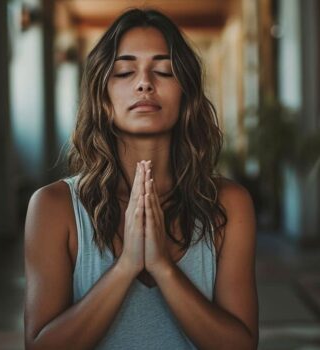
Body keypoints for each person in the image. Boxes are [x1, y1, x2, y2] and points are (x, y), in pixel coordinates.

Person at [24, 8, 259, 350]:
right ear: (102, 98)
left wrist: (163, 267)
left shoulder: (229, 204)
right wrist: (126, 267)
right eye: (124, 71)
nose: (144, 82)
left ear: (186, 94)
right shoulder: (53, 207)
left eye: (163, 70)